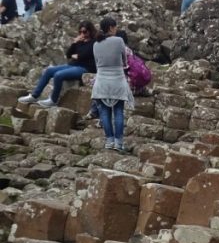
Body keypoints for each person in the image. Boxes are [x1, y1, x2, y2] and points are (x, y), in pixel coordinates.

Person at [18, 21, 98, 108]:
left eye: (85, 32)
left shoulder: (94, 42)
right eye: (80, 32)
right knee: (49, 70)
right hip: (72, 64)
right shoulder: (79, 41)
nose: (82, 34)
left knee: (58, 75)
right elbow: (68, 54)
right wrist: (74, 43)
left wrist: (78, 56)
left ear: (90, 31)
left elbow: (85, 55)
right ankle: (34, 95)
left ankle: (53, 100)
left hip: (84, 67)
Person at [91, 16, 134, 151]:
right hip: (117, 80)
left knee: (104, 112)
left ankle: (109, 140)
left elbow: (97, 64)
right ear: (111, 27)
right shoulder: (119, 40)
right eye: (115, 27)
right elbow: (125, 61)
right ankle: (119, 142)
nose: (116, 29)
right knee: (118, 111)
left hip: (101, 81)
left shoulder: (96, 44)